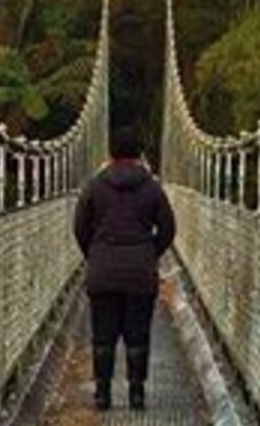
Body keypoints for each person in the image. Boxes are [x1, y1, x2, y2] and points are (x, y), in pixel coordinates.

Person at [73, 126, 176, 411]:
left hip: (102, 271)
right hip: (140, 273)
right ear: (140, 154)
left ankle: (103, 396)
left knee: (102, 336)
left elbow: (80, 227)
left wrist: (95, 254)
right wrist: (149, 253)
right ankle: (136, 395)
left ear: (110, 152)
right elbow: (168, 228)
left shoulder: (93, 186)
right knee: (138, 335)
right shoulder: (153, 187)